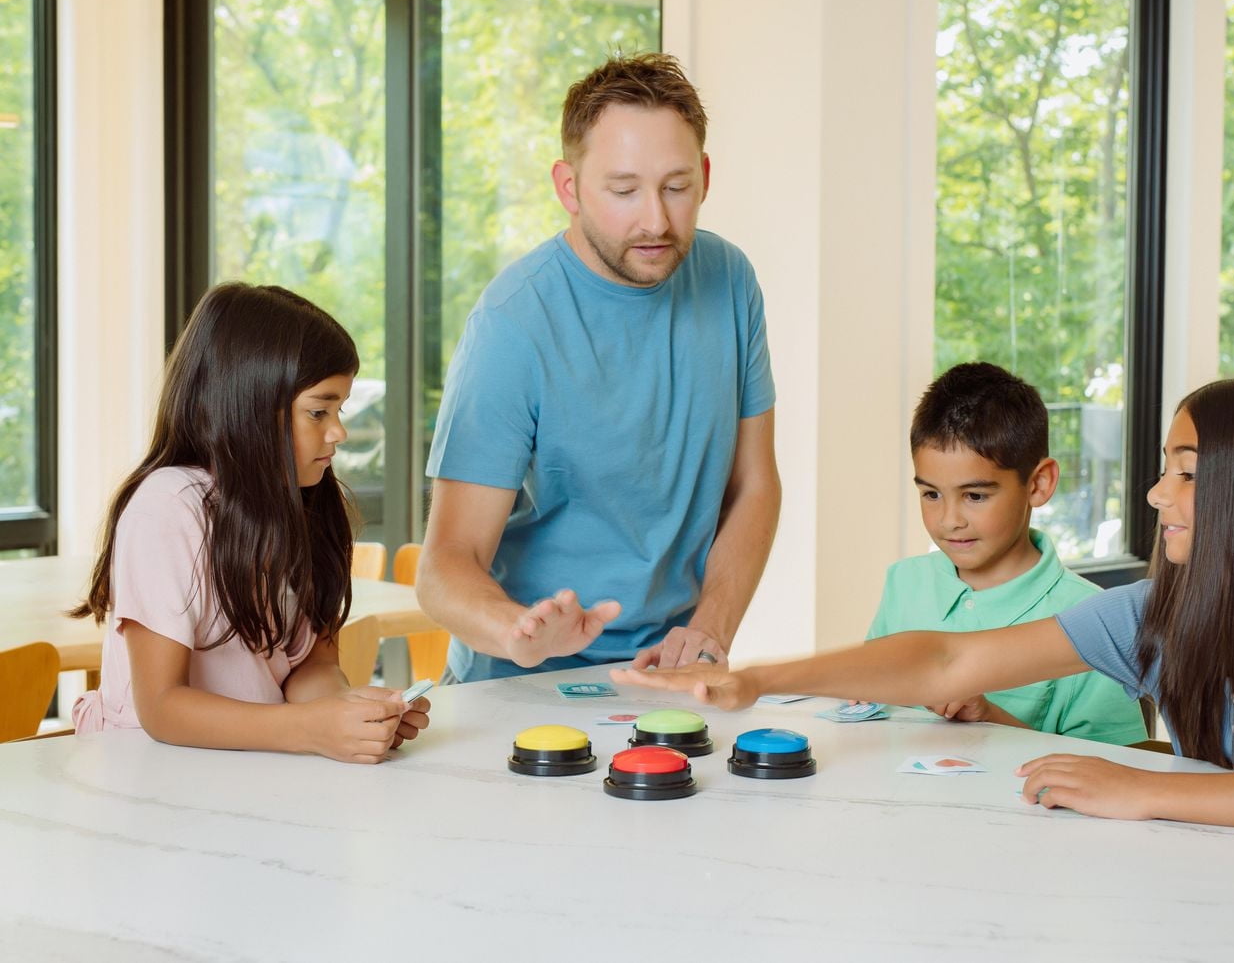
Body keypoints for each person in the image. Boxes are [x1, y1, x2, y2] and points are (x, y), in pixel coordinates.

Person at [617, 377, 1234, 835]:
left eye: (1189, 472)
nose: (1159, 492)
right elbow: (947, 658)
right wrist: (757, 679)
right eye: (1166, 466)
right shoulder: (1158, 611)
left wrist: (1145, 787)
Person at [418, 53, 780, 682]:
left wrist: (708, 631)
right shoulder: (513, 322)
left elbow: (754, 486)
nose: (655, 220)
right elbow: (446, 564)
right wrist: (519, 633)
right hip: (521, 678)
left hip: (667, 672)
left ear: (705, 177)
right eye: (622, 190)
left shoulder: (730, 281)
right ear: (569, 188)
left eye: (676, 186)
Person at [70, 283, 431, 763]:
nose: (339, 431)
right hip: (152, 776)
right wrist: (310, 728)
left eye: (338, 410)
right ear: (250, 408)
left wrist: (348, 712)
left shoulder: (310, 504)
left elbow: (312, 665)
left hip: (256, 771)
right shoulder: (168, 507)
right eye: (318, 412)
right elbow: (161, 707)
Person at [865, 362, 1145, 745]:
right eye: (931, 494)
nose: (949, 521)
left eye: (975, 496)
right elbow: (871, 705)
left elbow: (1120, 772)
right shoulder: (904, 581)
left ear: (1039, 484)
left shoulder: (1095, 619)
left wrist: (990, 717)